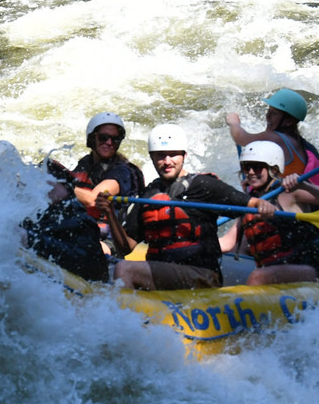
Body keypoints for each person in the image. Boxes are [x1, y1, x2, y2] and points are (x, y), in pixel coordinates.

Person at [95, 123, 275, 291]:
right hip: (163, 276)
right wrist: (110, 213)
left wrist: (264, 205)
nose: (167, 161)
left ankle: (125, 322)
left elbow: (250, 202)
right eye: (160, 155)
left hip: (201, 276)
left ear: (184, 156)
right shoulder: (149, 194)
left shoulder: (204, 185)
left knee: (126, 269)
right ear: (151, 157)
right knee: (113, 269)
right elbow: (126, 247)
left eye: (173, 154)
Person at [219, 140, 319, 285]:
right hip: (273, 272)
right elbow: (227, 243)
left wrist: (306, 185)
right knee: (217, 263)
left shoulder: (289, 192)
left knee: (258, 276)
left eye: (257, 167)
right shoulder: (252, 201)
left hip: (310, 271)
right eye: (246, 167)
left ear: (274, 170)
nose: (250, 172)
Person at [21, 164, 109, 282]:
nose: (45, 185)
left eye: (52, 181)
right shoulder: (33, 213)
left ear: (66, 187)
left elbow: (89, 265)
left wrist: (32, 240)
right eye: (40, 180)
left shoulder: (81, 221)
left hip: (82, 288)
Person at [225, 88, 319, 186]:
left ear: (289, 121)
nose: (267, 116)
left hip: (284, 199)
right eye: (269, 111)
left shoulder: (276, 138)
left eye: (274, 114)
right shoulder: (301, 144)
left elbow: (241, 138)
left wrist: (234, 123)